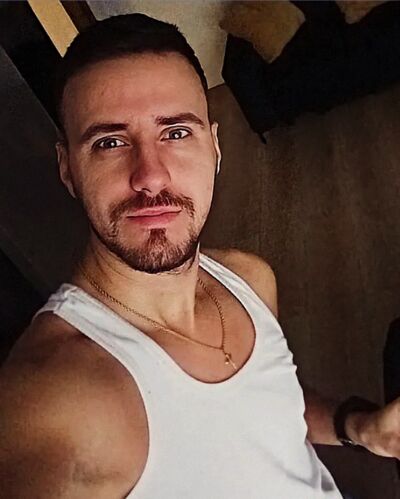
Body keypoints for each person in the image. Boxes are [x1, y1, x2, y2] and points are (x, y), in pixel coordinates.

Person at [0, 13, 399, 498]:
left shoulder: (249, 278)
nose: (151, 176)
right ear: (67, 169)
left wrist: (357, 427)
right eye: (110, 142)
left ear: (215, 147)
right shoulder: (57, 398)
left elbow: (273, 405)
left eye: (175, 133)